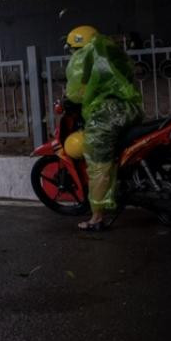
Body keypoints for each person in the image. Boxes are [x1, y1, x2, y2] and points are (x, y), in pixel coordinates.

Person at [63, 25, 143, 232]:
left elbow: (75, 92)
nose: (71, 52)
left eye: (72, 48)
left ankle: (97, 218)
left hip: (106, 114)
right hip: (130, 109)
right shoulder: (110, 51)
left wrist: (70, 99)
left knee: (98, 161)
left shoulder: (84, 58)